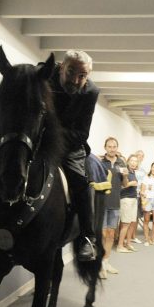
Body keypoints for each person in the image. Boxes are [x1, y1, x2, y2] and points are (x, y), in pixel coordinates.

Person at [50, 50, 99, 262]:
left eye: (82, 76)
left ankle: (88, 238)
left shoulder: (90, 92)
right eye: (71, 72)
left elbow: (82, 132)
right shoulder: (43, 75)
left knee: (79, 182)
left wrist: (54, 137)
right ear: (62, 67)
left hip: (70, 145)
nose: (76, 80)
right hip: (38, 138)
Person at [100, 137, 127, 278]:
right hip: (102, 203)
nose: (112, 148)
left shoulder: (121, 162)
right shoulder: (99, 162)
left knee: (111, 234)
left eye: (114, 146)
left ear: (117, 147)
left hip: (115, 204)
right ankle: (100, 263)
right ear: (105, 148)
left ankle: (106, 262)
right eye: (109, 146)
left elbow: (124, 184)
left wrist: (126, 176)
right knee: (103, 234)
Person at [117, 154, 139, 253]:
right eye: (132, 161)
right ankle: (120, 246)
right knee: (125, 224)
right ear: (128, 162)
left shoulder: (133, 172)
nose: (134, 163)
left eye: (136, 161)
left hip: (133, 199)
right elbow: (121, 186)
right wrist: (131, 183)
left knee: (131, 224)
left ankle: (128, 243)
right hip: (126, 199)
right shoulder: (124, 171)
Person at [141, 162, 154, 246]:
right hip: (147, 200)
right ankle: (147, 239)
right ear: (151, 167)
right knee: (146, 220)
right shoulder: (146, 177)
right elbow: (142, 191)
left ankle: (153, 238)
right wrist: (143, 202)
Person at [132, 150, 146, 244]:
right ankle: (126, 236)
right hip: (130, 195)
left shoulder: (143, 171)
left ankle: (133, 236)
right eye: (138, 155)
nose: (139, 157)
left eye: (141, 156)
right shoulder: (130, 168)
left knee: (136, 217)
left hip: (139, 196)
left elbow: (144, 184)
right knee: (128, 218)